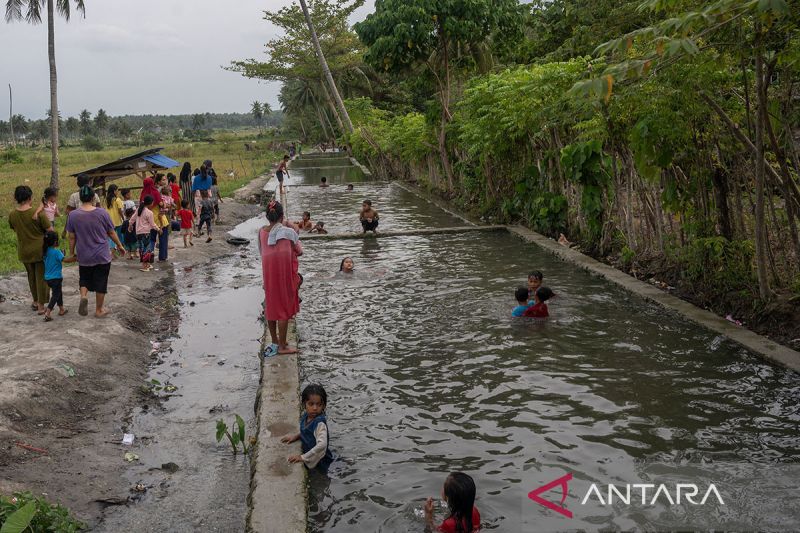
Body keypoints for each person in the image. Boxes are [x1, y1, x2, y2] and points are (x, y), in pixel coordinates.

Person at [65, 185, 126, 317]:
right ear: (93, 197)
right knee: (101, 281)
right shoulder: (102, 212)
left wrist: (72, 253)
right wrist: (120, 245)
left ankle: (83, 296)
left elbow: (72, 236)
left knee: (85, 278)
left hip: (84, 254)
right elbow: (111, 232)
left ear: (80, 198)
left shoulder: (73, 215)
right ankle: (99, 310)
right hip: (101, 254)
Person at [258, 200, 302, 357]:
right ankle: (283, 346)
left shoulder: (261, 232)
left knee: (271, 306)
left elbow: (261, 250)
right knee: (283, 309)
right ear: (282, 216)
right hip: (284, 276)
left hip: (269, 275)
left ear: (267, 216)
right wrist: (290, 225)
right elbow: (299, 250)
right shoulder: (288, 233)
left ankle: (275, 342)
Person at [9, 185, 52, 314]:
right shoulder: (38, 213)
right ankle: (41, 306)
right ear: (30, 197)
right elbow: (50, 230)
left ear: (16, 198)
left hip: (24, 250)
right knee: (41, 278)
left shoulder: (12, 214)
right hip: (40, 250)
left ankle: (35, 301)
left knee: (31, 277)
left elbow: (14, 228)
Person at [281, 384, 334, 472]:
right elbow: (307, 432)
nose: (315, 408)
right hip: (313, 454)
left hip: (322, 461)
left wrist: (302, 457)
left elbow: (322, 445)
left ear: (324, 406)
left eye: (319, 404)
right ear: (304, 404)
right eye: (311, 404)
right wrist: (296, 436)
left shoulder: (319, 423)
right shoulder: (306, 416)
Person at [42, 230, 75, 321]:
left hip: (48, 278)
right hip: (56, 277)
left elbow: (54, 259)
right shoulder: (56, 252)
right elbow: (65, 260)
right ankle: (48, 312)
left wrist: (62, 254)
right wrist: (74, 258)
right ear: (55, 242)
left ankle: (61, 309)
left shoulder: (45, 251)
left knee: (58, 292)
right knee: (56, 295)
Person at [129, 195, 160, 272]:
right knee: (147, 249)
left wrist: (130, 225)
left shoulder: (139, 209)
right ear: (150, 203)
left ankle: (146, 265)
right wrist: (158, 229)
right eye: (152, 202)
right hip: (146, 233)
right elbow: (152, 224)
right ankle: (145, 266)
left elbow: (132, 219)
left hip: (138, 233)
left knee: (141, 249)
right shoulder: (149, 213)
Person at [104, 184, 125, 257]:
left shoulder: (106, 200)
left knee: (110, 237)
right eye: (117, 190)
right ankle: (118, 252)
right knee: (119, 236)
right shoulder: (117, 199)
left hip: (109, 221)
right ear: (114, 191)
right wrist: (123, 218)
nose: (118, 192)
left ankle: (112, 253)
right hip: (117, 221)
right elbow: (120, 211)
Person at [158, 185, 174, 262]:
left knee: (164, 232)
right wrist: (169, 205)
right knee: (164, 232)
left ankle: (163, 254)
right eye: (170, 191)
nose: (171, 192)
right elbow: (171, 205)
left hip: (163, 214)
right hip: (164, 215)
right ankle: (163, 255)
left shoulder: (162, 197)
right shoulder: (165, 198)